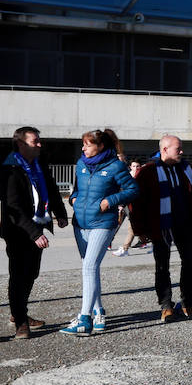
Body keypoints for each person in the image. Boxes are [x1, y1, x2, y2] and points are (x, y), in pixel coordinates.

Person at [63, 128, 138, 337]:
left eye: (87, 144)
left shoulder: (115, 166)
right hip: (80, 222)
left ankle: (84, 318)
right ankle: (98, 312)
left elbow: (133, 190)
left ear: (100, 146)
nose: (83, 148)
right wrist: (73, 199)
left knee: (89, 265)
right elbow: (76, 189)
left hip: (103, 222)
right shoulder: (80, 164)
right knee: (90, 268)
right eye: (83, 144)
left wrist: (110, 201)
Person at [0, 126, 69, 338]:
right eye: (35, 141)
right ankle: (20, 321)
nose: (40, 144)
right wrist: (35, 233)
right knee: (18, 275)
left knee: (31, 273)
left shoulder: (39, 162)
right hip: (18, 230)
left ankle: (18, 312)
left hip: (39, 223)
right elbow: (14, 207)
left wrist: (60, 212)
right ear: (20, 144)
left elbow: (51, 188)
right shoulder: (10, 168)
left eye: (39, 141)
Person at [133, 135, 192, 320]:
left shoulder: (186, 168)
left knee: (189, 263)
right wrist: (140, 230)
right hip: (160, 227)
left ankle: (188, 302)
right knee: (162, 266)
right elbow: (136, 203)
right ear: (164, 149)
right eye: (177, 148)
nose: (182, 152)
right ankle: (166, 305)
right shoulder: (148, 171)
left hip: (185, 224)